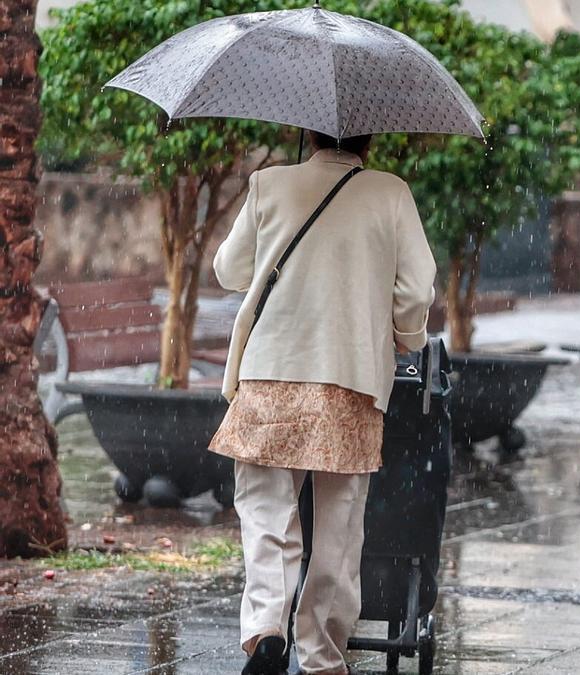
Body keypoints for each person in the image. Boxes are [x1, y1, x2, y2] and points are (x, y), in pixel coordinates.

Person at [208, 131, 436, 675]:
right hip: (350, 375)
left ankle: (266, 628)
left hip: (270, 372)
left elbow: (229, 271)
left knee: (265, 511)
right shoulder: (390, 193)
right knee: (338, 527)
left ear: (308, 133)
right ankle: (321, 655)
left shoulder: (270, 184)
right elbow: (417, 294)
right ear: (369, 137)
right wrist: (408, 335)